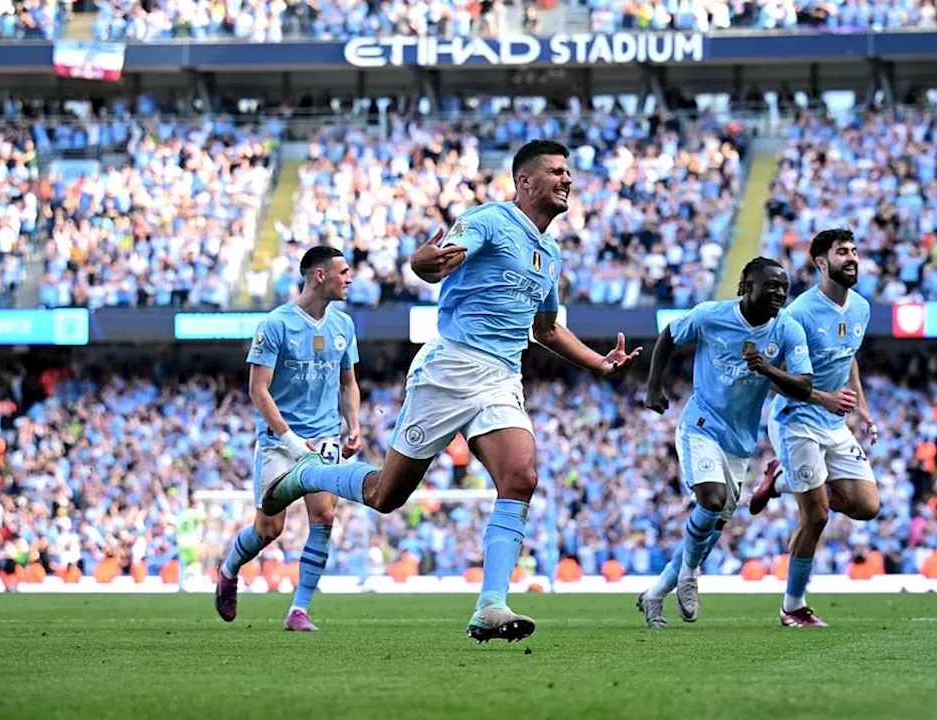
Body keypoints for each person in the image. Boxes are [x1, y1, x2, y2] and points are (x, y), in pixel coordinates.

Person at [258, 139, 642, 643]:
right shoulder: (487, 221)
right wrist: (422, 264)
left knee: (521, 476)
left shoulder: (550, 254)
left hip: (502, 377)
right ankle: (305, 474)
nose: (567, 180)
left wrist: (598, 362)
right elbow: (436, 264)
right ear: (524, 181)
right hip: (451, 368)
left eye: (569, 172)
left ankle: (491, 605)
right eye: (556, 172)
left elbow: (546, 329)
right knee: (385, 495)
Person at [639, 257, 847, 628]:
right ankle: (688, 574)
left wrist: (767, 368)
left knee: (711, 528)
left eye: (783, 287)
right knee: (711, 500)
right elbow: (669, 335)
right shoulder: (711, 316)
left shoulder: (787, 330)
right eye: (770, 286)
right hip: (700, 424)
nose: (779, 293)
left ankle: (654, 594)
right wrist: (654, 387)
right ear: (745, 287)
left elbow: (803, 387)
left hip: (739, 441)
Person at [214, 246, 361, 632]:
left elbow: (348, 383)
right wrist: (290, 438)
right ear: (319, 276)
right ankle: (229, 569)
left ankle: (299, 609)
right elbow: (257, 390)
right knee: (269, 530)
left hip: (326, 436)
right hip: (280, 441)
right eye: (343, 272)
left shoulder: (343, 326)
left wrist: (354, 423)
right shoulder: (276, 324)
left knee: (325, 516)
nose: (349, 278)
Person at [747, 228, 879, 628]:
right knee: (816, 515)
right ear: (821, 262)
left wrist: (864, 409)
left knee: (866, 506)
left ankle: (781, 479)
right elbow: (768, 374)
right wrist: (824, 398)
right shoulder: (799, 314)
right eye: (843, 252)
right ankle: (793, 607)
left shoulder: (861, 308)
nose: (852, 258)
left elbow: (848, 356)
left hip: (834, 423)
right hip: (796, 420)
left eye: (855, 251)